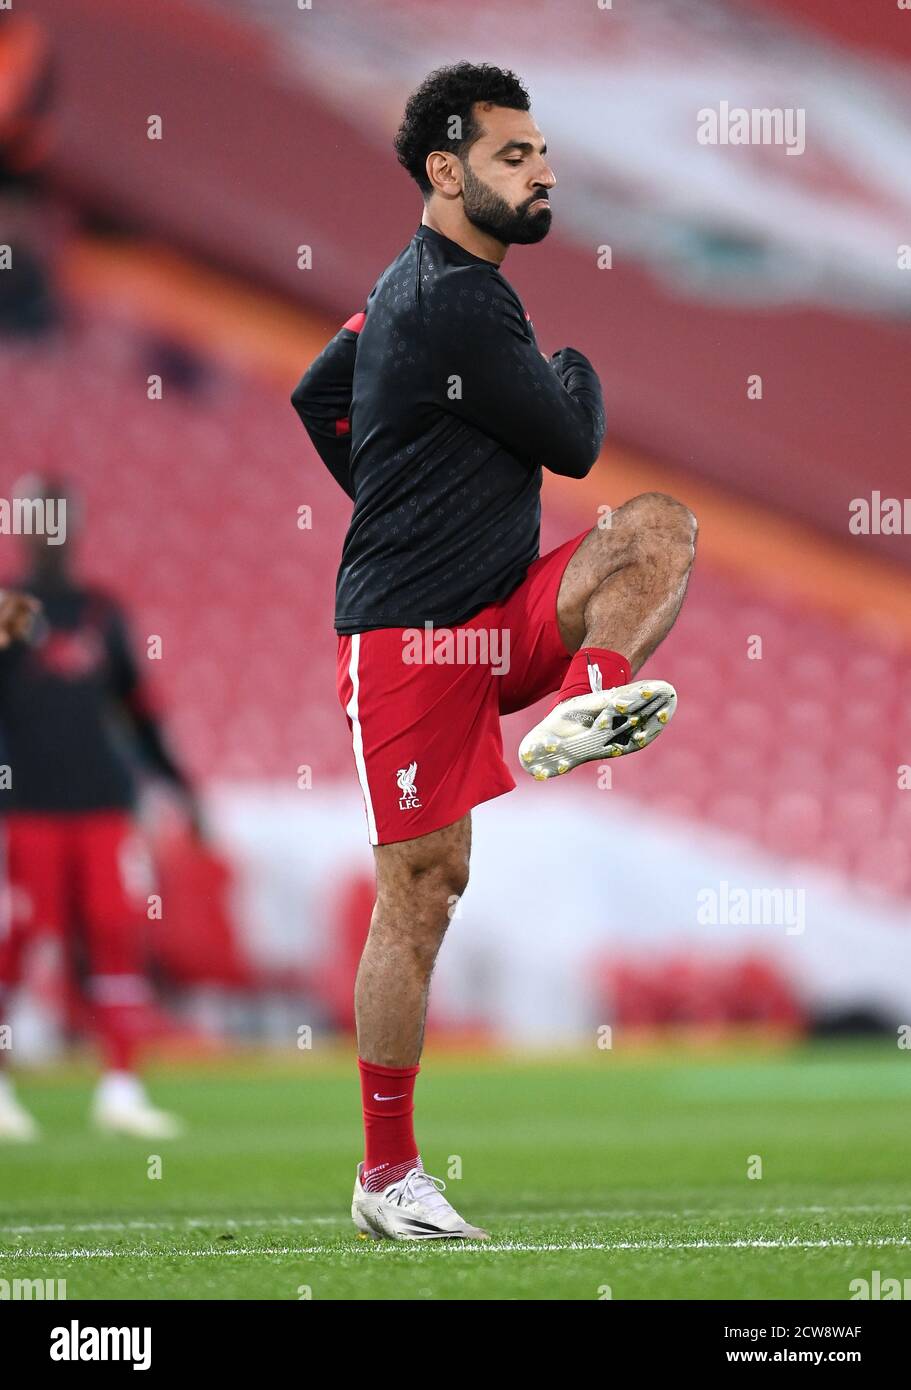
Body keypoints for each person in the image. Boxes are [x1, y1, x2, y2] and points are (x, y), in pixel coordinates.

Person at [292, 63, 696, 1240]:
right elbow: (570, 435)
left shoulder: (404, 292)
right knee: (422, 892)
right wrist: (573, 367)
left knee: (655, 533)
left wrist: (391, 479)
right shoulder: (455, 299)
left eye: (541, 154)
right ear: (446, 170)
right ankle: (385, 1180)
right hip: (410, 639)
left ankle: (591, 695)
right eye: (515, 156)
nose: (543, 172)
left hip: (497, 614)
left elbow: (322, 395)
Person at [0, 479, 200, 1140]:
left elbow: (139, 711)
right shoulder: (6, 610)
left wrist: (181, 787)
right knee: (17, 942)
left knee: (118, 935)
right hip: (24, 808)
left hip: (104, 809)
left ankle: (120, 1088)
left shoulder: (100, 612)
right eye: (39, 519)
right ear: (22, 527)